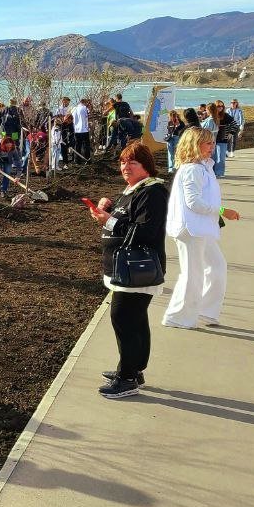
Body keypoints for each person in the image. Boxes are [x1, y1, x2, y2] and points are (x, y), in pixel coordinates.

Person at [86, 140, 169, 398]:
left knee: (123, 319)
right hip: (125, 269)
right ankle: (133, 368)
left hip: (137, 269)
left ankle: (128, 377)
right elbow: (127, 219)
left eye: (132, 162)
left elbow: (144, 230)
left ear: (146, 165)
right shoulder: (134, 189)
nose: (125, 167)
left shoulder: (153, 191)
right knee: (135, 319)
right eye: (122, 162)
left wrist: (109, 220)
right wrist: (109, 209)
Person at [162, 127, 240, 329]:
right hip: (191, 229)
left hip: (201, 228)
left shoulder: (203, 167)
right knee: (192, 273)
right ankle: (177, 316)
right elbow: (193, 202)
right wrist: (222, 210)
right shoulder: (193, 170)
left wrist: (218, 212)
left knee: (216, 266)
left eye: (212, 143)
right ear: (194, 146)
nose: (212, 147)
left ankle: (205, 310)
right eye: (207, 143)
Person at [71, 97, 91, 162]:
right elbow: (88, 114)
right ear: (84, 102)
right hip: (84, 129)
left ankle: (77, 160)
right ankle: (87, 159)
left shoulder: (74, 109)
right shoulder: (84, 108)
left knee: (77, 145)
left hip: (76, 130)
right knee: (86, 145)